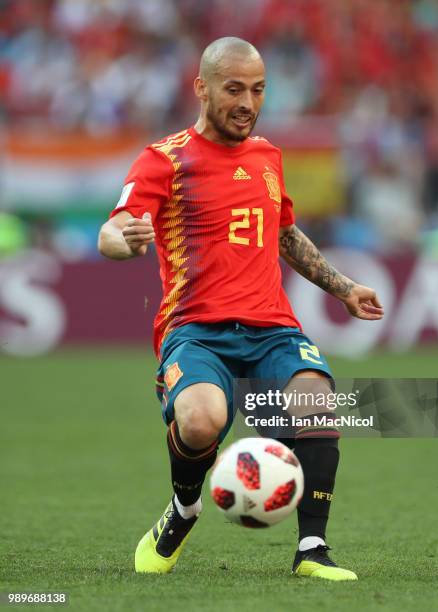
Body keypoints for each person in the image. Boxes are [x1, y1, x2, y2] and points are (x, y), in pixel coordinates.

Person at [98, 37, 383, 581]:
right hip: (196, 330)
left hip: (272, 329)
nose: (248, 103)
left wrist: (343, 287)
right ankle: (183, 510)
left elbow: (283, 232)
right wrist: (124, 239)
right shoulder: (166, 158)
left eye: (258, 90)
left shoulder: (268, 156)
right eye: (234, 90)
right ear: (202, 88)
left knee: (318, 408)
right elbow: (113, 229)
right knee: (204, 419)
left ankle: (312, 551)